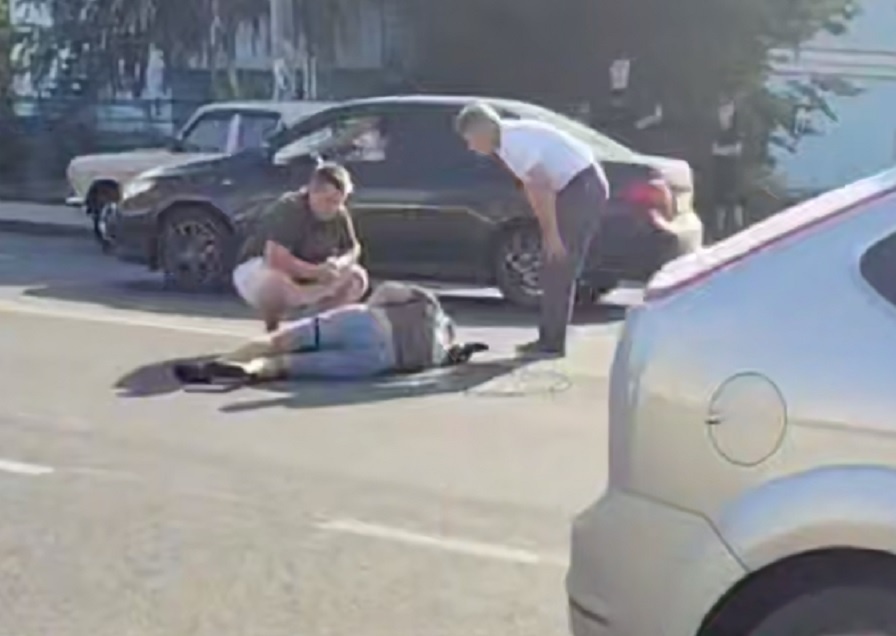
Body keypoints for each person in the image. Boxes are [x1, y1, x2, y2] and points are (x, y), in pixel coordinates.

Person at [454, 102, 610, 357]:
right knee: (553, 265)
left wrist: (551, 235)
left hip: (581, 187)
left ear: (483, 130)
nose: (471, 147)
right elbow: (532, 187)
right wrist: (548, 232)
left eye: (470, 139)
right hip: (576, 186)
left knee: (558, 263)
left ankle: (552, 343)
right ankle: (549, 338)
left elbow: (542, 188)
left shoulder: (515, 143)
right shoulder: (505, 143)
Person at [172, 282, 488, 384]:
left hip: (369, 322)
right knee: (284, 365)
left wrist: (367, 311)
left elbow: (386, 291)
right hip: (376, 360)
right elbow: (457, 355)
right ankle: (252, 370)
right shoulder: (437, 355)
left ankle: (218, 364)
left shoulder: (429, 303)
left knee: (279, 340)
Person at [232, 162, 368, 332]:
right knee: (273, 281)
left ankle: (315, 328)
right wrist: (317, 272)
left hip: (310, 275)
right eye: (328, 201)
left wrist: (338, 264)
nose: (332, 208)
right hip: (259, 270)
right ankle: (273, 331)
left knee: (356, 278)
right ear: (312, 192)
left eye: (338, 202)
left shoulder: (339, 213)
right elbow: (276, 258)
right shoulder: (290, 208)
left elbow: (352, 248)